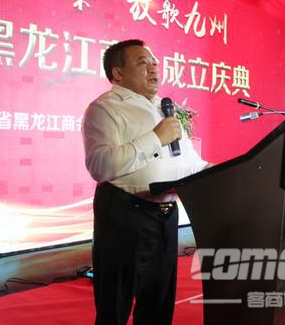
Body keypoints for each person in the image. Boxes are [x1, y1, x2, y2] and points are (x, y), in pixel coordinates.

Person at [82, 39, 210, 325]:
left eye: (154, 63)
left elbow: (189, 164)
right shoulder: (104, 108)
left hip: (166, 216)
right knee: (114, 307)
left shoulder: (165, 109)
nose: (154, 68)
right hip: (124, 215)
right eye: (143, 63)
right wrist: (155, 138)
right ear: (117, 73)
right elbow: (101, 166)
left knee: (158, 306)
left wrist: (224, 171)